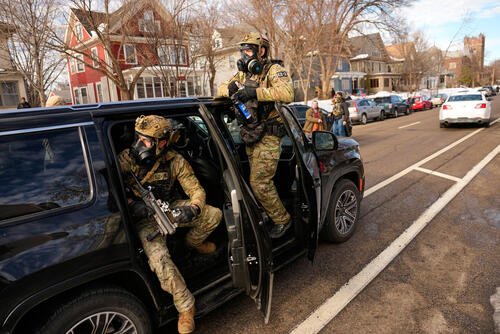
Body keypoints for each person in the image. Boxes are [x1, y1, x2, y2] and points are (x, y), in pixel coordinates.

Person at [118, 115, 222, 334]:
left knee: (213, 215)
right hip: (145, 217)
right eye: (139, 138)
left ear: (163, 142)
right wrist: (131, 205)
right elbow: (110, 191)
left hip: (170, 207)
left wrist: (192, 208)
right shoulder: (125, 159)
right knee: (161, 261)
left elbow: (196, 190)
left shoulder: (175, 160)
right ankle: (186, 307)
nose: (141, 145)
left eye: (147, 141)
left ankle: (192, 244)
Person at [216, 32, 294, 239]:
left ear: (261, 51)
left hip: (269, 135)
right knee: (252, 182)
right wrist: (230, 89)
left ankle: (283, 220)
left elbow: (287, 94)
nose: (245, 55)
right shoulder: (242, 75)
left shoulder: (274, 70)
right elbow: (220, 89)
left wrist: (256, 93)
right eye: (243, 51)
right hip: (250, 133)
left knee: (259, 183)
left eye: (249, 50)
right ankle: (264, 215)